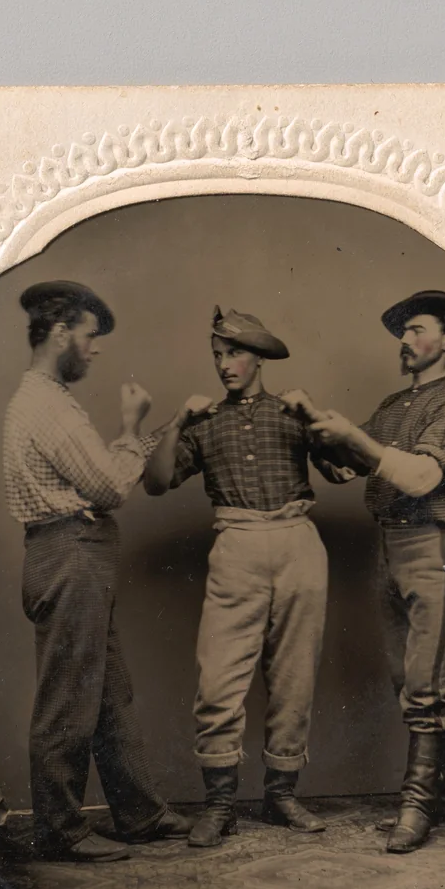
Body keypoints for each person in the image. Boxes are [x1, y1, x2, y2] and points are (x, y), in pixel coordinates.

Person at [282, 290, 445, 854]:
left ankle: (416, 804)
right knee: (407, 679)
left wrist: (355, 439)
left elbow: (421, 478)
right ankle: (439, 796)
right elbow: (345, 468)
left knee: (426, 683)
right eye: (403, 332)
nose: (405, 340)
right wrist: (311, 426)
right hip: (390, 546)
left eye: (417, 329)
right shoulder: (396, 406)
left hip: (437, 545)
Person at [144, 307, 353, 848]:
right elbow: (157, 482)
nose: (224, 365)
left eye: (234, 353)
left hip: (297, 543)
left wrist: (312, 416)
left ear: (258, 358)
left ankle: (281, 795)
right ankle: (218, 804)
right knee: (219, 680)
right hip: (235, 546)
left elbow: (348, 467)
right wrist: (176, 423)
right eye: (217, 355)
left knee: (293, 676)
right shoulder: (205, 421)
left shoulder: (291, 414)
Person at [2, 280, 190, 862]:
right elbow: (109, 485)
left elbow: (96, 473)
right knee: (71, 696)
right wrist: (134, 427)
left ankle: (139, 813)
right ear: (61, 333)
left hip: (77, 555)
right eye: (89, 336)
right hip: (71, 555)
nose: (96, 348)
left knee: (108, 693)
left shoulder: (47, 400)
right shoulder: (46, 405)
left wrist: (158, 430)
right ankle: (59, 830)